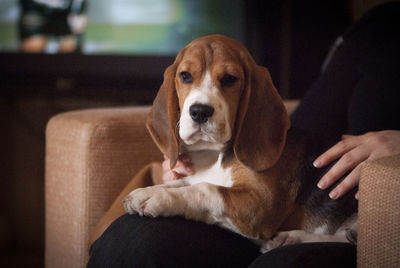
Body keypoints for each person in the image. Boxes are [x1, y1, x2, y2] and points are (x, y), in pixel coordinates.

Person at [87, 1, 400, 267]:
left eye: (228, 79)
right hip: (271, 182)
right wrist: (190, 160)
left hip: (357, 215)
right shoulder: (378, 26)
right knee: (128, 241)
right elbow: (291, 127)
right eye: (187, 77)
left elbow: (260, 201)